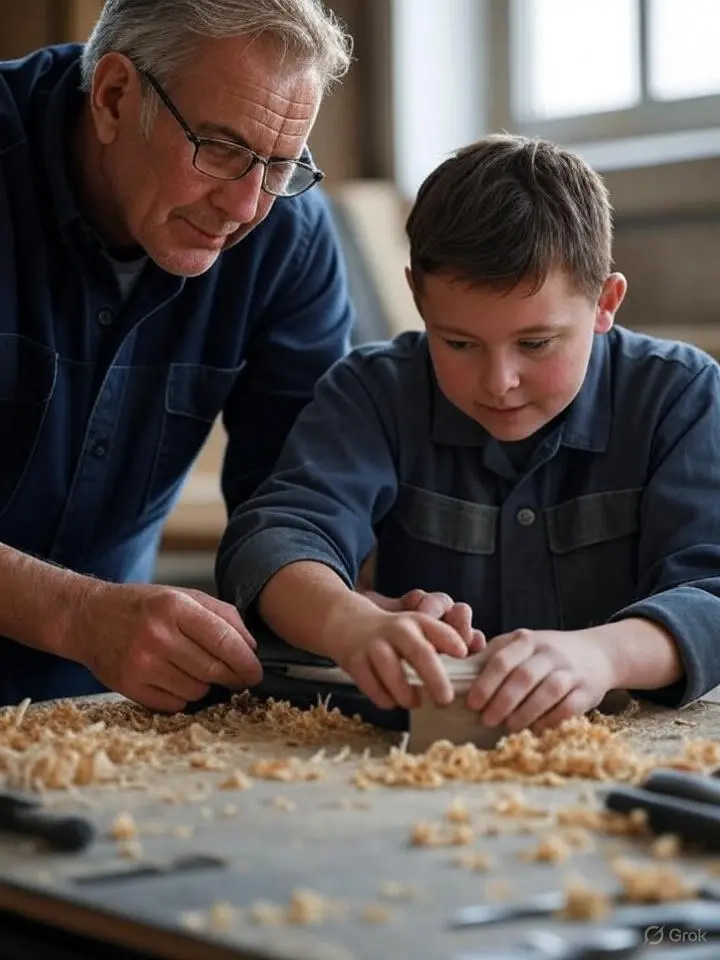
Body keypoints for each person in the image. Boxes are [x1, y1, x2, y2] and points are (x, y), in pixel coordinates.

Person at [217, 133, 720, 735]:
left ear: (605, 302)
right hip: (408, 757)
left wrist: (603, 654)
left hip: (620, 748)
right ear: (417, 297)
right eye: (457, 343)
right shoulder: (372, 392)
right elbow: (275, 536)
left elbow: (711, 591)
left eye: (535, 344)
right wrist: (349, 620)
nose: (499, 381)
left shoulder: (680, 396)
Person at [0, 0, 354, 710]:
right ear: (113, 97)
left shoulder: (288, 235)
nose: (245, 207)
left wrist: (358, 615)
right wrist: (76, 615)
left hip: (95, 706)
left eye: (281, 164)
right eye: (220, 148)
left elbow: (296, 501)